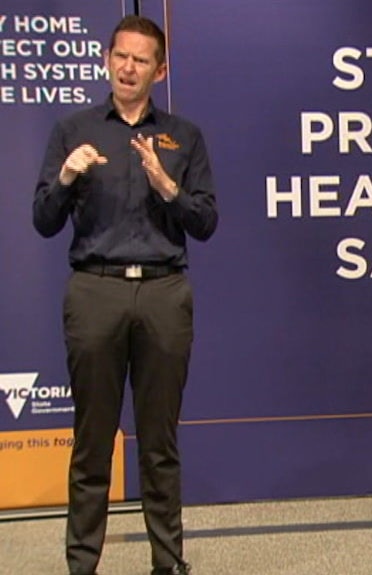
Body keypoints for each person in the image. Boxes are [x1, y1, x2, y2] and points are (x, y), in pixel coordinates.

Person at [32, 15, 217, 575]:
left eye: (140, 60)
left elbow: (206, 221)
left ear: (159, 70)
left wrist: (168, 188)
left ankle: (169, 563)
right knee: (92, 442)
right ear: (107, 60)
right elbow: (43, 220)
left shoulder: (184, 136)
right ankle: (82, 564)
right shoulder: (74, 129)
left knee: (159, 444)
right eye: (120, 56)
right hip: (96, 292)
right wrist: (65, 177)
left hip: (164, 293)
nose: (128, 68)